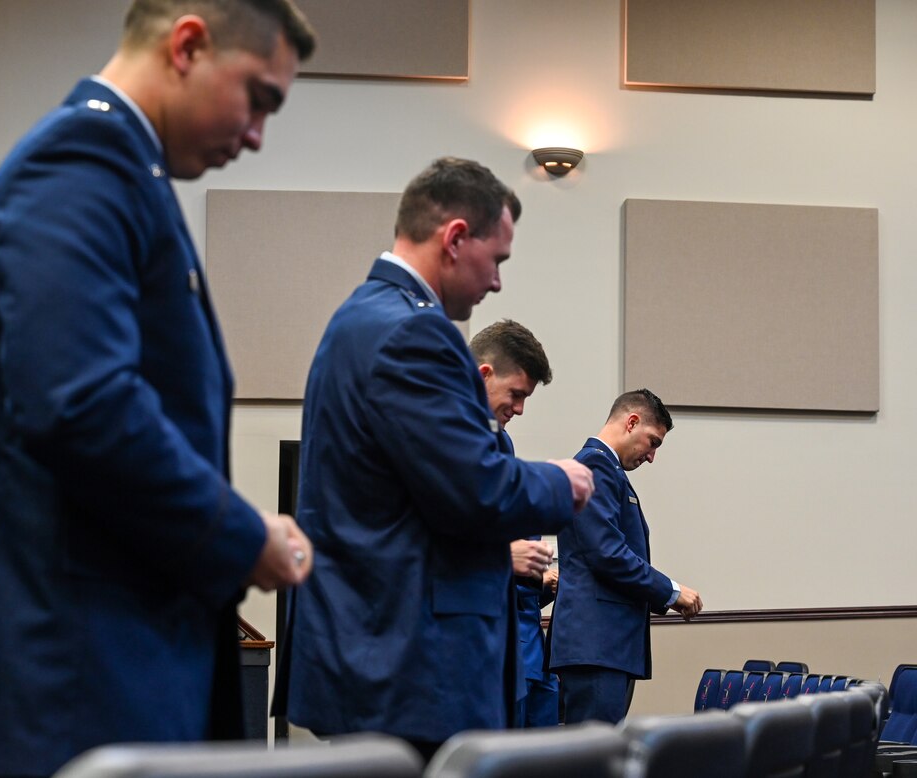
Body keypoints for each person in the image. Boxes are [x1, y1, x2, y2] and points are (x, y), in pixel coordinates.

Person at [0, 2, 317, 776]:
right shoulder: (83, 159)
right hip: (61, 680)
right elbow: (80, 403)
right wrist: (241, 534)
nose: (259, 132)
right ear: (189, 44)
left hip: (97, 667)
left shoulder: (126, 169)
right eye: (259, 97)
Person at [278, 158, 596, 761]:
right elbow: (476, 491)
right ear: (454, 238)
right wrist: (562, 482)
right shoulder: (414, 334)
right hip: (409, 663)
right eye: (496, 259)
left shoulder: (364, 317)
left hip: (385, 651)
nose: (497, 282)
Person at [548, 388, 704, 725]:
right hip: (596, 645)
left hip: (606, 646)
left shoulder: (607, 470)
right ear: (632, 422)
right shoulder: (595, 465)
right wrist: (672, 592)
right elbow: (607, 553)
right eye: (653, 442)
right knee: (592, 759)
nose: (651, 456)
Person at [469, 319, 563, 728]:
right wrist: (502, 556)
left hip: (508, 631)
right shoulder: (433, 428)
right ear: (484, 374)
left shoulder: (500, 440)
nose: (520, 408)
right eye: (516, 394)